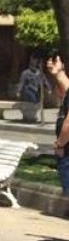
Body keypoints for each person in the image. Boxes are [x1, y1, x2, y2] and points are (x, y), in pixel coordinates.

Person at [46, 55, 69, 195]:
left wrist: (60, 144)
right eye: (47, 60)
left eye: (54, 60)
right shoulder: (63, 91)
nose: (49, 63)